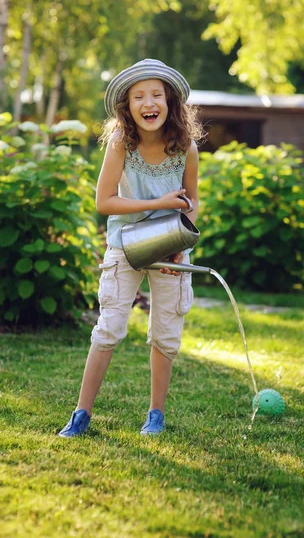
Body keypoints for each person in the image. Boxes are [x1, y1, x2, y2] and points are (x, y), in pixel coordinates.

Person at [59, 59, 202, 437]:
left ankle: (155, 414)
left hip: (172, 246)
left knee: (166, 332)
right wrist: (158, 205)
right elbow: (104, 202)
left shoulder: (186, 147)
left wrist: (179, 243)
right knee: (109, 327)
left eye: (156, 94)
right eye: (139, 96)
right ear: (128, 106)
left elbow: (192, 202)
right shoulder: (122, 143)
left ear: (169, 102)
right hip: (125, 244)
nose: (148, 102)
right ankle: (81, 414)